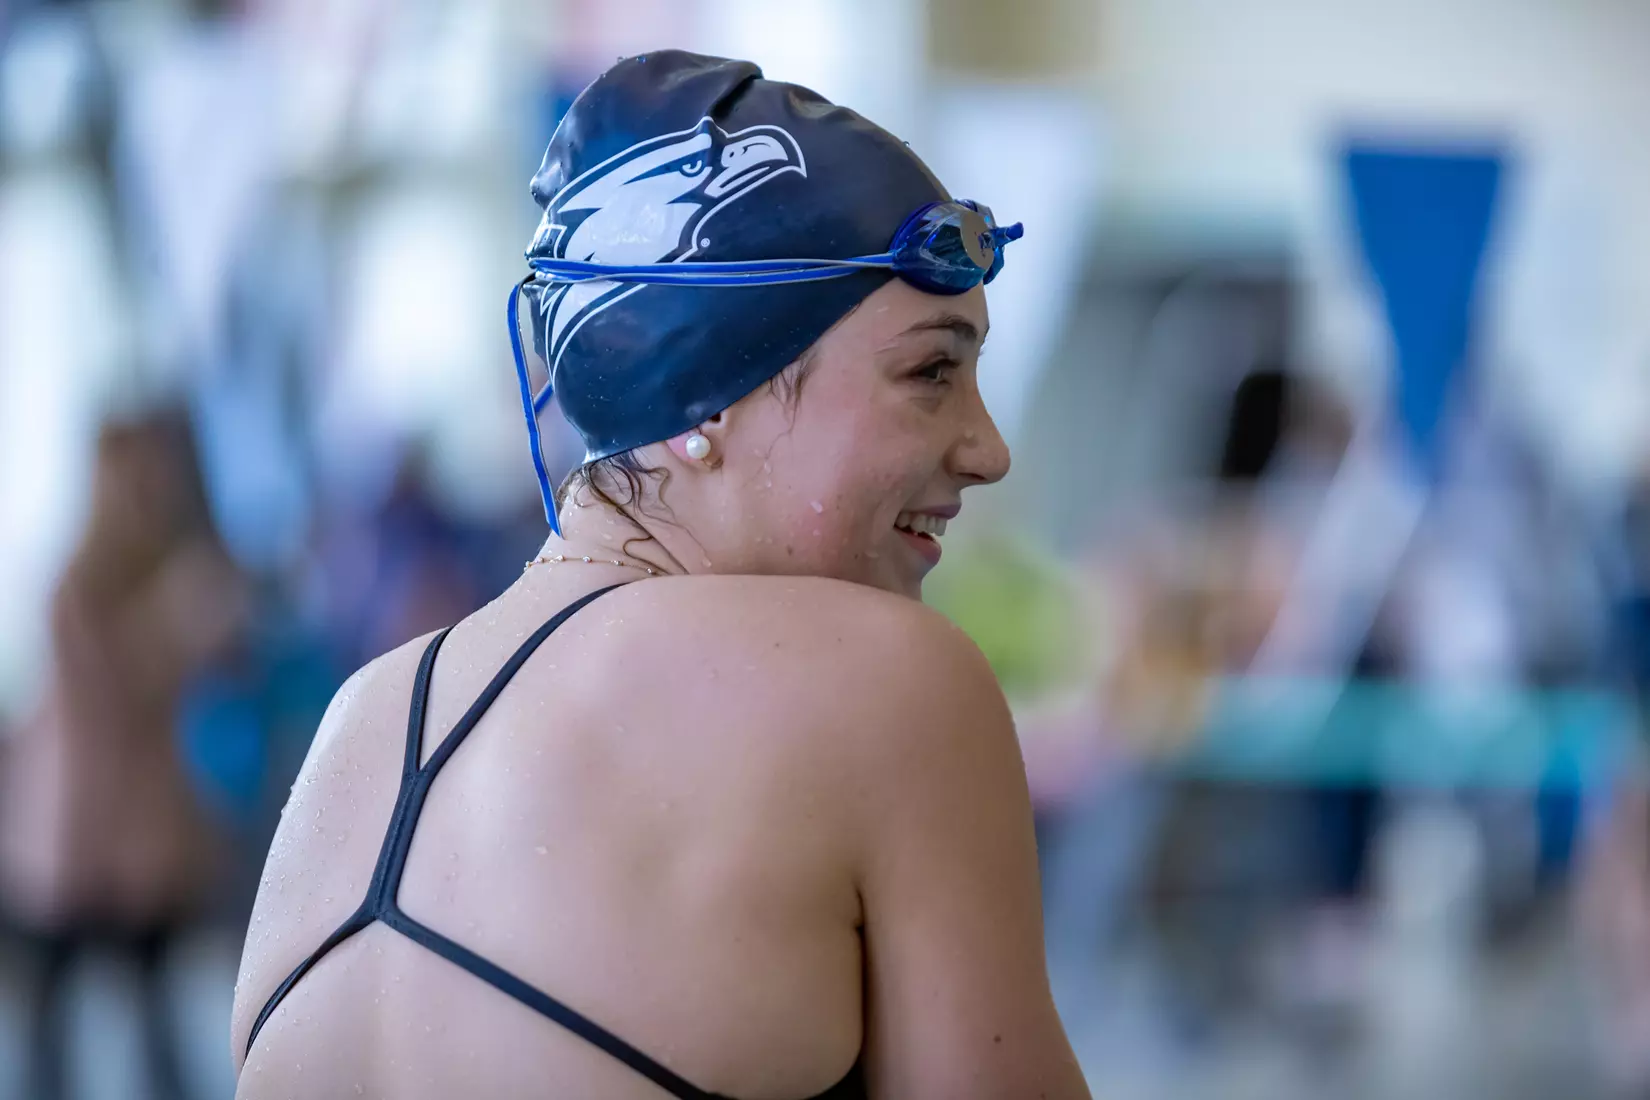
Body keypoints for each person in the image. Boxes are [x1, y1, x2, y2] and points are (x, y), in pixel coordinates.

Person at [231, 51, 1090, 1099]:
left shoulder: (363, 725)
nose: (987, 449)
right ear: (709, 394)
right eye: (931, 372)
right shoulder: (890, 685)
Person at [1, 408, 247, 1100]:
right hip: (70, 840)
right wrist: (175, 626)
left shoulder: (171, 565)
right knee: (50, 1028)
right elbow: (104, 702)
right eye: (135, 472)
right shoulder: (75, 584)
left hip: (144, 840)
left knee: (155, 1020)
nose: (149, 487)